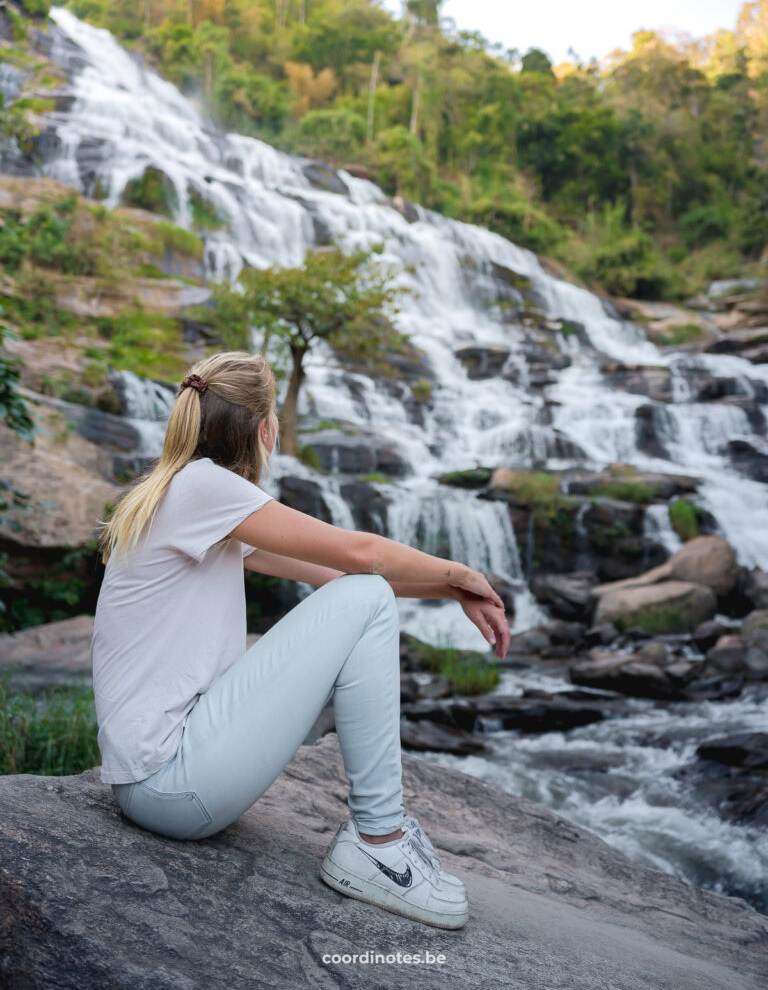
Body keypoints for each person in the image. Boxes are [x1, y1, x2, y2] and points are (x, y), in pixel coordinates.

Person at [92, 350, 511, 930]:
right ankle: (378, 842)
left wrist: (446, 594)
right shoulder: (204, 489)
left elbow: (341, 578)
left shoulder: (182, 494)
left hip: (164, 778)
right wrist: (459, 571)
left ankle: (378, 837)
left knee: (364, 598)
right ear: (264, 429)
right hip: (170, 785)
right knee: (367, 601)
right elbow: (361, 557)